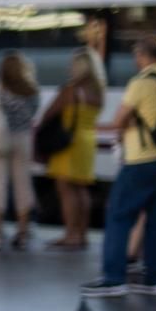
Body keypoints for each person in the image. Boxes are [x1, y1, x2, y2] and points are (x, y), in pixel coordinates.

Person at [83, 35, 156, 297]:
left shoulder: (141, 83)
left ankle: (114, 278)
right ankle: (155, 279)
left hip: (140, 161)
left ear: (141, 55)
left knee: (118, 215)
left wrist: (95, 128)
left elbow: (119, 119)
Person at [0, 51, 41, 251]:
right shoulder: (32, 90)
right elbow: (33, 113)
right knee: (23, 184)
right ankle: (22, 233)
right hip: (23, 139)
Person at [46, 47, 106, 251]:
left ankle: (70, 233)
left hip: (69, 142)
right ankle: (82, 233)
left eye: (73, 64)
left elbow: (50, 113)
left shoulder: (71, 90)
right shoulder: (98, 91)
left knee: (65, 189)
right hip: (88, 140)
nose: (70, 68)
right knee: (81, 188)